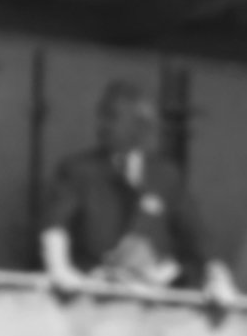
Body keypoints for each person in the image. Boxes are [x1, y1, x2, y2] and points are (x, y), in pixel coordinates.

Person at [39, 76, 229, 304]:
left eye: (112, 116)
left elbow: (197, 237)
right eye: (102, 114)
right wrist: (59, 269)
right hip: (96, 292)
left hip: (151, 295)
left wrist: (218, 278)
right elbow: (54, 225)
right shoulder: (78, 170)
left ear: (141, 125)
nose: (103, 124)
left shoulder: (164, 175)